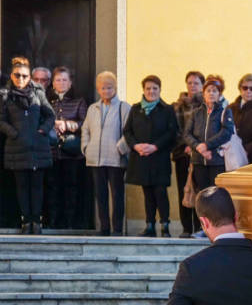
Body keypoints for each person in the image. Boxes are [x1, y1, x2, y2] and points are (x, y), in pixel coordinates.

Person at [0, 57, 54, 234]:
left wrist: (42, 131)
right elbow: (1, 120)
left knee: (37, 186)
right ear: (12, 75)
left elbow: (50, 115)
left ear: (29, 76)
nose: (21, 79)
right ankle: (25, 221)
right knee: (21, 186)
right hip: (17, 148)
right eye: (17, 75)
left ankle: (36, 221)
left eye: (24, 75)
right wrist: (13, 133)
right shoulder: (5, 95)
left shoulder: (38, 93)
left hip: (38, 147)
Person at [123, 75, 179, 237]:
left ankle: (165, 225)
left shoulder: (167, 109)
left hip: (159, 157)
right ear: (143, 90)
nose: (151, 91)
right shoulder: (135, 109)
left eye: (155, 88)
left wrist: (155, 146)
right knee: (147, 192)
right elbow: (127, 131)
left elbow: (172, 132)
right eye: (148, 88)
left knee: (160, 191)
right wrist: (136, 145)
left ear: (160, 90)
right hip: (141, 158)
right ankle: (149, 226)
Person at [81, 71, 130, 236]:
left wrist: (120, 148)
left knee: (117, 195)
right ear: (98, 89)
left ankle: (117, 229)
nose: (106, 91)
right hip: (95, 158)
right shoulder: (92, 108)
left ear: (115, 88)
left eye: (109, 88)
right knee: (100, 195)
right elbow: (85, 130)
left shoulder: (124, 107)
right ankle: (104, 227)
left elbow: (129, 132)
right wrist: (86, 148)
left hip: (116, 158)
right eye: (103, 88)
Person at [46, 67, 88, 229]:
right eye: (58, 80)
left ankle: (70, 222)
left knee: (71, 188)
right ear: (53, 83)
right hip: (52, 153)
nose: (61, 83)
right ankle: (53, 221)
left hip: (72, 153)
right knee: (52, 188)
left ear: (70, 83)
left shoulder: (79, 101)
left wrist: (68, 125)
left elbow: (85, 123)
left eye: (64, 80)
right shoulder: (47, 102)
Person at [184, 75, 235, 193]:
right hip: (198, 161)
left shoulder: (225, 111)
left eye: (215, 91)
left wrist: (207, 145)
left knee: (217, 195)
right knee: (201, 195)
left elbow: (226, 133)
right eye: (208, 90)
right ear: (203, 93)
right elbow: (187, 134)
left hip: (217, 161)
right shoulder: (196, 113)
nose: (211, 93)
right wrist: (198, 147)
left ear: (219, 94)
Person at [172, 71, 205, 236]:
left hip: (200, 155)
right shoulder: (177, 106)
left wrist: (194, 146)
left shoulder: (206, 105)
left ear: (202, 86)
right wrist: (184, 146)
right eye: (190, 83)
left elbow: (205, 130)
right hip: (182, 155)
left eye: (196, 83)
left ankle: (199, 227)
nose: (192, 86)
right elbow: (174, 130)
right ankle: (186, 228)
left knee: (199, 191)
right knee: (184, 190)